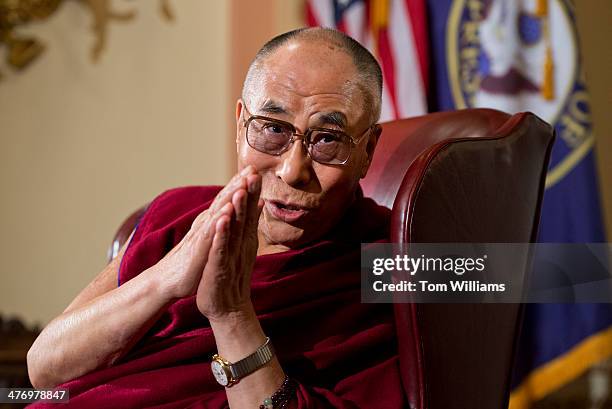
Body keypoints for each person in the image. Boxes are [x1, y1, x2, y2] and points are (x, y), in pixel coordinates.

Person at [27, 27, 407, 408]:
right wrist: (168, 277)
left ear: (368, 149)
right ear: (241, 126)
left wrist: (231, 315)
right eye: (273, 129)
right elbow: (44, 368)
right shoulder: (179, 212)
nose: (293, 170)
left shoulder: (395, 262)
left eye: (327, 138)